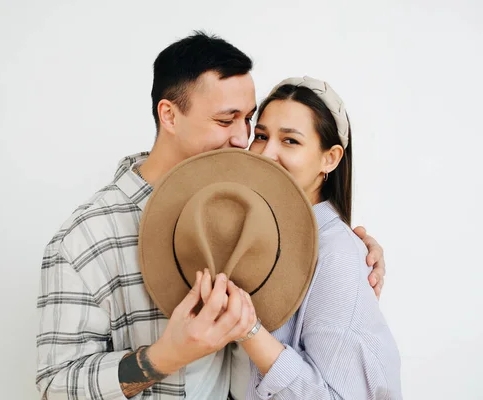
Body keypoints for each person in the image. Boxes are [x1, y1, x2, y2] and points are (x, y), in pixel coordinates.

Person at [36, 33, 387, 400]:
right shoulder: (86, 238)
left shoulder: (246, 202)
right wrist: (163, 357)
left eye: (248, 119)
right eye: (225, 120)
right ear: (169, 115)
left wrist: (350, 249)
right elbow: (55, 386)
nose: (243, 139)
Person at [200, 76, 401, 399]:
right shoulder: (252, 233)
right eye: (261, 136)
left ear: (330, 159)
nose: (266, 154)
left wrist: (250, 331)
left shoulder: (338, 256)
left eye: (290, 141)